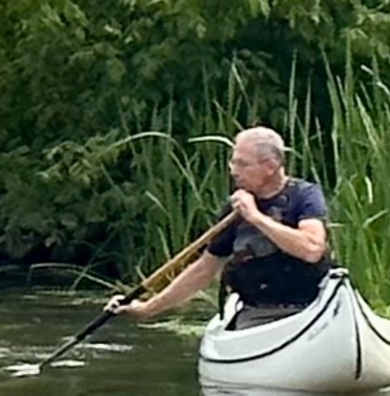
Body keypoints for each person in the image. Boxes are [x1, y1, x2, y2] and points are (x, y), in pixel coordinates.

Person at [109, 126, 332, 330]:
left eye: (242, 164)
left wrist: (255, 217)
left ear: (270, 167)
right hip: (259, 312)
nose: (234, 171)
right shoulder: (233, 210)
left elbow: (312, 249)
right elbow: (204, 269)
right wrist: (147, 308)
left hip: (314, 306)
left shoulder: (304, 195)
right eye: (232, 162)